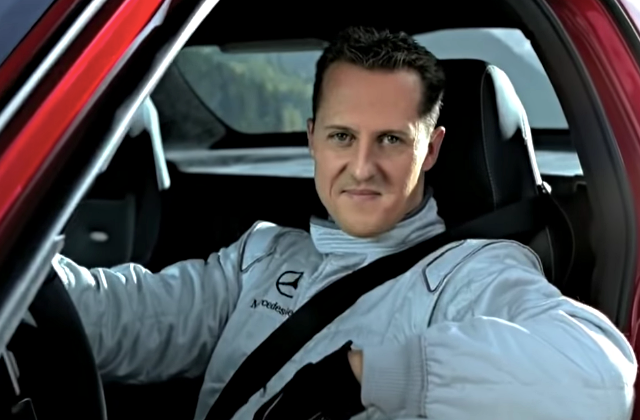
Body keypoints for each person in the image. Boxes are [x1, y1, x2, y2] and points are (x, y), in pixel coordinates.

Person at [52, 26, 636, 420]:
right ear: (312, 140)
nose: (361, 167)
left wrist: (362, 376)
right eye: (341, 137)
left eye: (391, 140)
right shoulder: (263, 255)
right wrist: (31, 279)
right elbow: (126, 315)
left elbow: (601, 379)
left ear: (431, 150)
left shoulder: (473, 275)